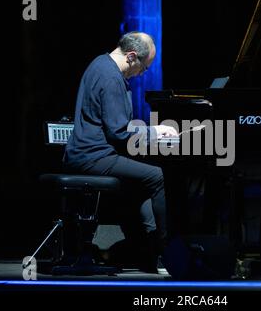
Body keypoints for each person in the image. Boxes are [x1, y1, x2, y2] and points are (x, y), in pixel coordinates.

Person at [63, 31, 177, 272]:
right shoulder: (111, 78)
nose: (141, 74)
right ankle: (164, 250)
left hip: (87, 153)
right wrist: (156, 132)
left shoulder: (99, 62)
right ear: (132, 57)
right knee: (155, 175)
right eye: (144, 68)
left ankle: (148, 250)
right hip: (93, 156)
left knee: (141, 179)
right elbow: (119, 132)